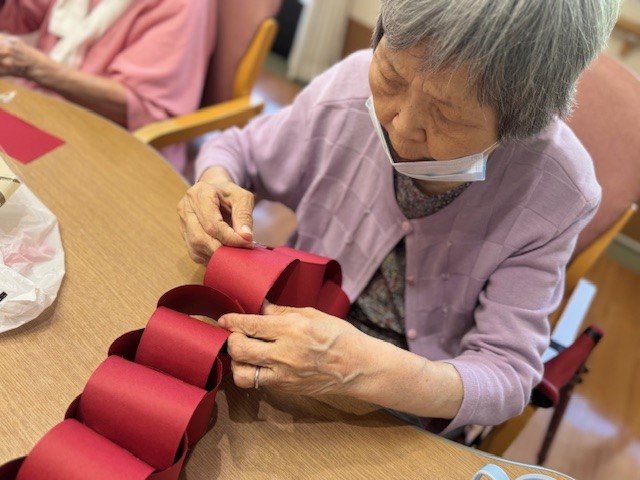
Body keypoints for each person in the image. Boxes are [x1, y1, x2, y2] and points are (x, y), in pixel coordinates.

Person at [177, 0, 620, 435]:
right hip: (279, 340)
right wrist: (215, 182)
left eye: (446, 114)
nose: (402, 129)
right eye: (391, 77)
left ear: (520, 125)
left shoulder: (555, 189)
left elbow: (507, 375)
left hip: (405, 405)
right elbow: (237, 152)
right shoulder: (349, 86)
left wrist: (367, 370)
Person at [0, 0, 215, 172]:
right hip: (37, 111)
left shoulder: (183, 5)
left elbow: (143, 110)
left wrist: (35, 67)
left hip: (109, 144)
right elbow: (21, 14)